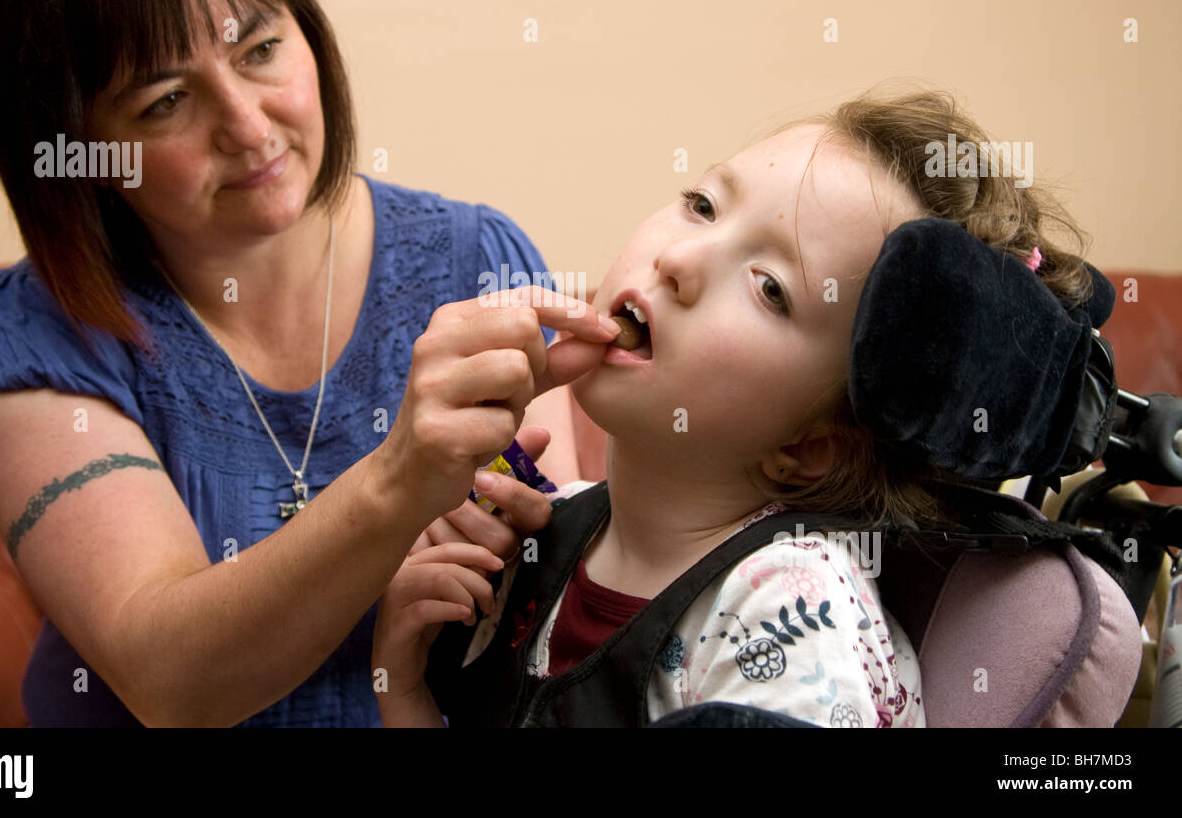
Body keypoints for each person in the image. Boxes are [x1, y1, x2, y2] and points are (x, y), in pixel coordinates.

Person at [0, 0, 621, 727]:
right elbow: (170, 680)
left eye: (261, 49)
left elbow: (539, 642)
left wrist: (526, 549)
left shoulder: (476, 261)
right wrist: (400, 480)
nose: (249, 126)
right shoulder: (33, 332)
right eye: (166, 101)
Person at [372, 88, 1096, 727]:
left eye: (771, 287)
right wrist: (404, 689)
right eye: (702, 206)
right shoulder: (559, 529)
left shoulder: (785, 615)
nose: (681, 263)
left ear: (814, 447)